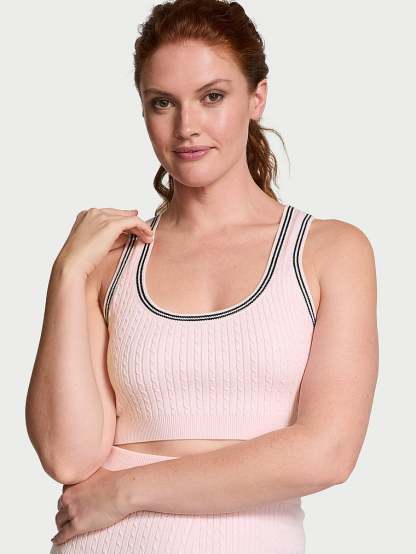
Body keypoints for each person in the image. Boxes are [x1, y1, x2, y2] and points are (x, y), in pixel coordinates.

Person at [25, 1, 379, 552]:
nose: (186, 127)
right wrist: (67, 274)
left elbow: (327, 453)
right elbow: (67, 456)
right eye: (162, 102)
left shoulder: (330, 251)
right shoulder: (111, 261)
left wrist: (124, 492)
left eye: (212, 96)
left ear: (257, 97)